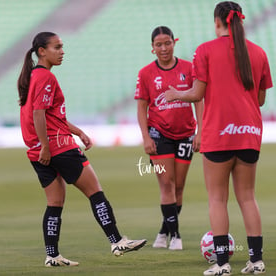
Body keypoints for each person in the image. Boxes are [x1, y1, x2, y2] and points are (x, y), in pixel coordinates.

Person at [17, 31, 147, 267]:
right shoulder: (46, 77)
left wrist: (77, 132)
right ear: (42, 52)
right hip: (58, 147)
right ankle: (117, 240)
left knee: (54, 203)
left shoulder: (33, 76)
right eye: (57, 47)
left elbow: (49, 115)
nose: (62, 51)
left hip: (39, 151)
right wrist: (47, 145)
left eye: (62, 46)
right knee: (95, 192)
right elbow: (38, 114)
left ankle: (52, 255)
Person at [165, 2, 272, 275]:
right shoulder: (259, 52)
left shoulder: (205, 51)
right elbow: (260, 99)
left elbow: (197, 93)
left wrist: (177, 94)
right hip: (249, 133)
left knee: (217, 199)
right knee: (247, 197)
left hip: (219, 135)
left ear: (217, 22)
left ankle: (222, 263)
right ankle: (256, 260)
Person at [135, 26, 203, 251]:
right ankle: (175, 235)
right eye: (158, 44)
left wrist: (200, 132)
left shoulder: (189, 68)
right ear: (152, 48)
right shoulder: (146, 73)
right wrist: (146, 137)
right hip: (159, 133)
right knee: (166, 183)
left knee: (179, 186)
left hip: (185, 134)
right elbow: (142, 107)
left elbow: (199, 101)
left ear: (175, 42)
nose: (163, 48)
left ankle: (163, 231)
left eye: (167, 43)